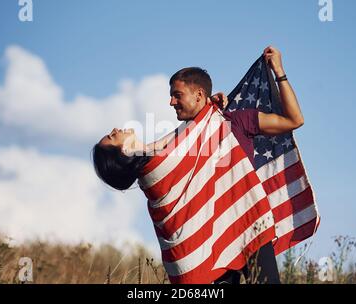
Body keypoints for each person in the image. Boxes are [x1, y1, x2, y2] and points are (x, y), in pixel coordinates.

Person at [92, 46, 304, 283]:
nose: (171, 102)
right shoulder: (159, 159)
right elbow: (164, 152)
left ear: (199, 95)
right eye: (111, 138)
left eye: (177, 95)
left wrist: (279, 71)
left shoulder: (235, 120)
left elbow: (295, 119)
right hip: (209, 248)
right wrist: (211, 110)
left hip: (247, 222)